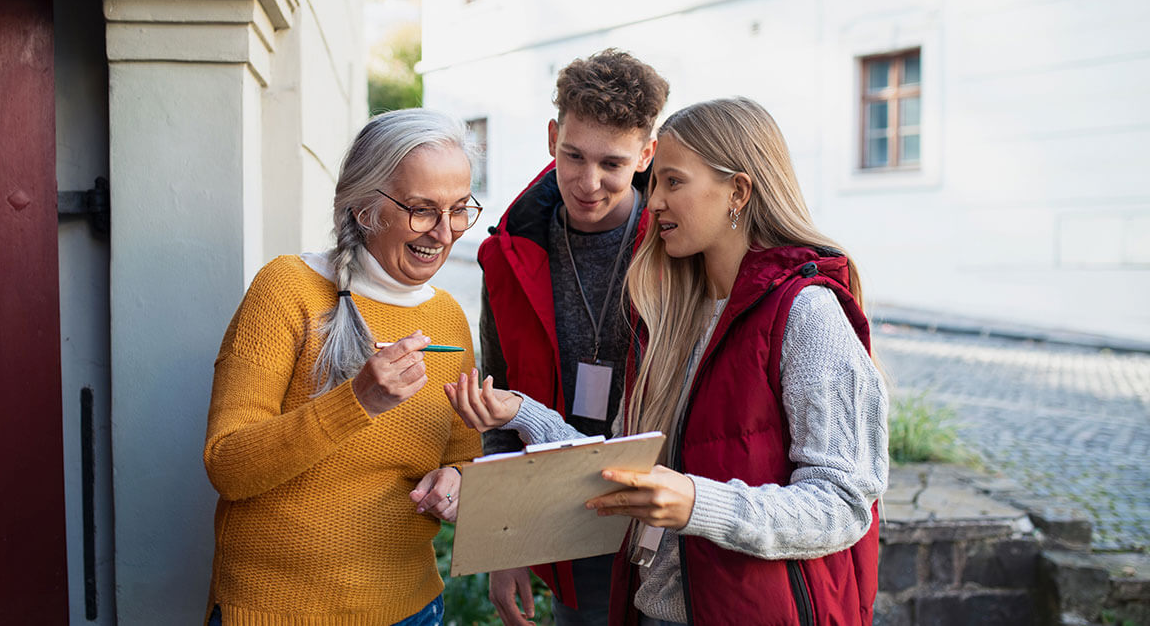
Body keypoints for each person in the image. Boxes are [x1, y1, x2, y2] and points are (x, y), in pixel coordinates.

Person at [448, 97, 888, 626]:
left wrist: (696, 503)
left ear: (738, 192)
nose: (651, 201)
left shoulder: (808, 314)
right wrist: (522, 413)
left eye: (671, 182)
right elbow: (616, 467)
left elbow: (843, 504)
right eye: (654, 183)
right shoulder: (673, 313)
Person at [202, 108, 484, 626]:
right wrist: (358, 401)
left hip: (411, 608)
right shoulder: (288, 289)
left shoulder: (448, 317)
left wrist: (458, 481)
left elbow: (462, 456)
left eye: (460, 209)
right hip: (277, 612)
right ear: (363, 209)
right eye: (422, 210)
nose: (445, 234)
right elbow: (228, 466)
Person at [476, 48, 669, 625]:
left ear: (646, 154)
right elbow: (500, 400)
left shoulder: (682, 243)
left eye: (612, 163)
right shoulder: (507, 255)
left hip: (674, 520)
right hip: (564, 519)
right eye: (573, 156)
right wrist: (505, 543)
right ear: (553, 135)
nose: (588, 183)